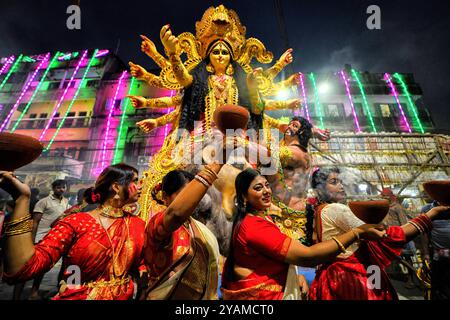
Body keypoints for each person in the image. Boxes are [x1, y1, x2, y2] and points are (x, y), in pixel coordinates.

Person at [220, 168, 387, 300]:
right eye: (258, 188)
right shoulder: (254, 226)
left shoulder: (260, 218)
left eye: (266, 185)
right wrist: (357, 233)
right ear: (244, 197)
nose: (266, 191)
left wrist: (297, 275)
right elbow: (307, 256)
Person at [1, 163, 146, 300]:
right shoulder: (76, 222)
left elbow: (141, 261)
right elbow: (24, 267)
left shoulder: (137, 224)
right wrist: (22, 199)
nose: (140, 186)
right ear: (116, 187)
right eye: (135, 181)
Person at [308, 167, 450, 300]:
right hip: (350, 277)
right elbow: (383, 236)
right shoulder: (336, 209)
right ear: (319, 190)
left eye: (341, 181)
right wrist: (430, 215)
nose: (341, 186)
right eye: (334, 182)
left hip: (334, 275)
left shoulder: (320, 209)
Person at [141, 164, 224, 300]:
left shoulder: (198, 227)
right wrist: (215, 165)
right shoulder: (157, 225)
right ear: (165, 197)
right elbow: (175, 214)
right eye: (184, 195)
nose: (193, 199)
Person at [420, 199, 450, 300]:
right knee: (438, 285)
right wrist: (426, 253)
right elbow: (424, 233)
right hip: (438, 254)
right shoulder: (427, 209)